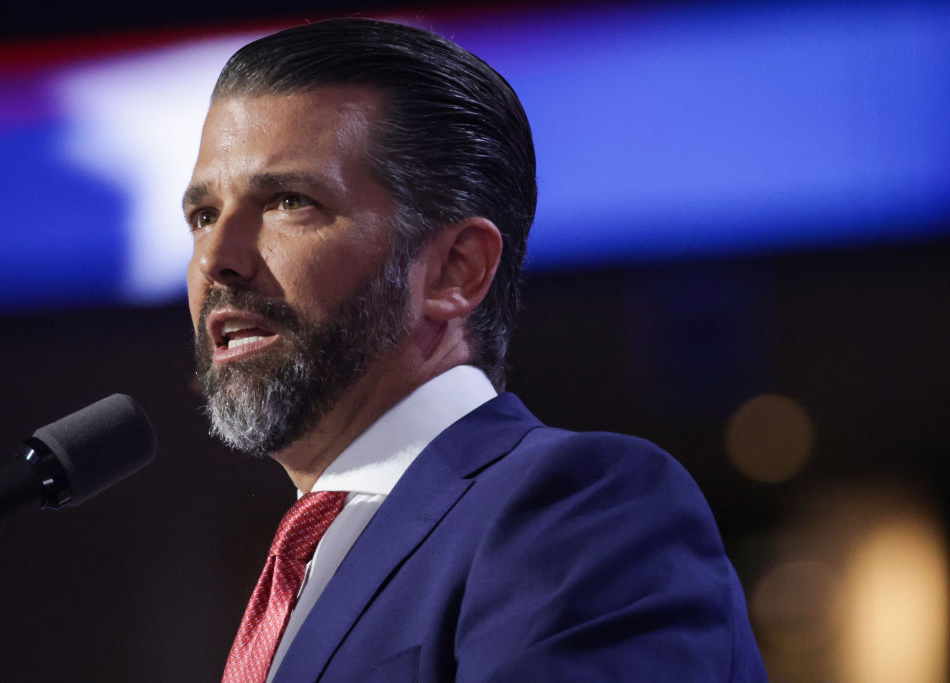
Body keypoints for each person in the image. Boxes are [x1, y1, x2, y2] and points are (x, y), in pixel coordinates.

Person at [184, 17, 767, 682]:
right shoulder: (302, 569)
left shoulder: (578, 511)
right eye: (202, 216)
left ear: (455, 269)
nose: (216, 260)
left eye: (290, 201)